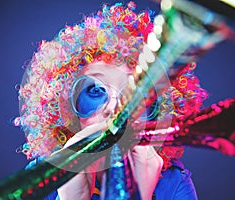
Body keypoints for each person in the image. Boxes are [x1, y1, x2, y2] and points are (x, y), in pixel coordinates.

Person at [17, 2, 207, 199]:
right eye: (95, 90)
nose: (113, 110)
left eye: (135, 95)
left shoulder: (173, 183)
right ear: (67, 107)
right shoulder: (39, 177)